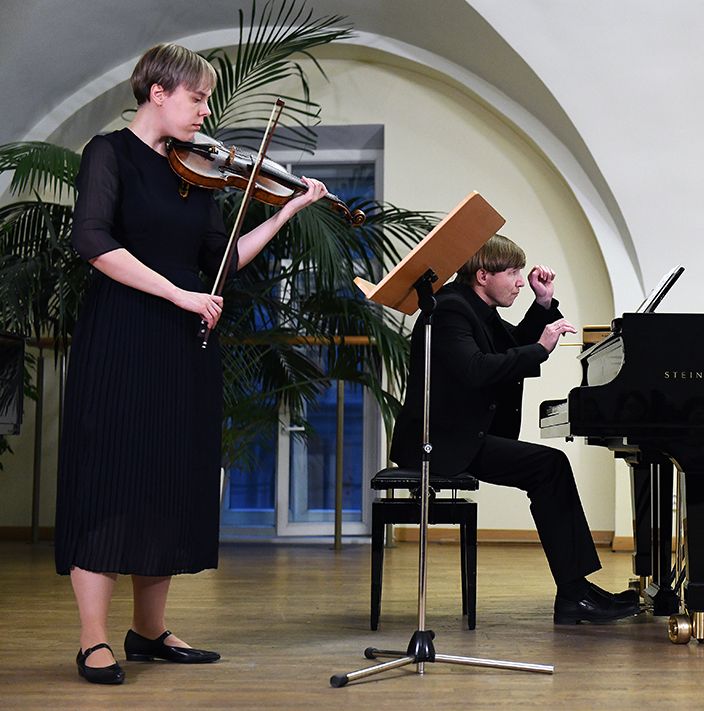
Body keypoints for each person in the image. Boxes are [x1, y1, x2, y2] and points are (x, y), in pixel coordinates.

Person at [53, 43, 327, 685]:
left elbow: (221, 259)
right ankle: (93, 640)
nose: (206, 111)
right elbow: (92, 239)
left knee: (169, 479)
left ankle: (148, 631)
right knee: (109, 479)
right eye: (197, 98)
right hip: (122, 336)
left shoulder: (193, 172)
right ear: (158, 92)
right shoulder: (108, 153)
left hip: (183, 344)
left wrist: (286, 212)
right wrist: (178, 295)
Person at [389, 235, 640, 625]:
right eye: (513, 273)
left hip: (461, 435)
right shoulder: (450, 309)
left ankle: (576, 591)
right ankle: (574, 595)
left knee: (549, 468)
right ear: (483, 275)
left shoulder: (474, 308)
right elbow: (476, 369)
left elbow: (511, 344)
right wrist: (540, 348)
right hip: (441, 441)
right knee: (550, 466)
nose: (521, 281)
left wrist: (543, 304)